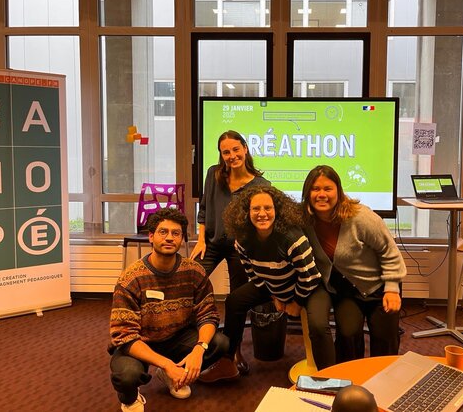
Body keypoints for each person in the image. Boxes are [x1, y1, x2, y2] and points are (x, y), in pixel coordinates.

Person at [109, 208, 229, 412]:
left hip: (177, 338)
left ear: (182, 239)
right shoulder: (131, 278)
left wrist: (199, 349)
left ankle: (173, 376)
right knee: (127, 375)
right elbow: (125, 335)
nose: (169, 238)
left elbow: (208, 315)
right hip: (140, 341)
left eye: (176, 233)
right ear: (151, 236)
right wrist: (166, 363)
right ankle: (130, 399)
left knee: (219, 343)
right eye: (163, 232)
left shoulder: (194, 271)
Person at [198, 185, 322, 381]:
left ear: (277, 210)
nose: (262, 214)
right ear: (246, 212)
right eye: (255, 209)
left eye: (268, 208)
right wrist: (274, 296)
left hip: (302, 289)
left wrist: (296, 302)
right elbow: (252, 273)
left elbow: (310, 277)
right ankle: (227, 362)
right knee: (235, 301)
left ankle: (326, 370)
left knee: (318, 323)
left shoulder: (292, 238)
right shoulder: (243, 240)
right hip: (273, 286)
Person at [301, 165, 407, 369]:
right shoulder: (305, 221)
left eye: (327, 188)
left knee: (384, 340)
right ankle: (350, 378)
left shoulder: (360, 217)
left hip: (380, 287)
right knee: (347, 336)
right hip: (346, 291)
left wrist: (392, 288)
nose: (321, 194)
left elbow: (389, 251)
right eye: (315, 189)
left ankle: (383, 380)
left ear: (338, 191)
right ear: (307, 193)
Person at [190, 129, 270, 375]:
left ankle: (233, 352)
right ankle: (191, 344)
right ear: (221, 155)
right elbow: (204, 209)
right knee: (190, 282)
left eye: (236, 149)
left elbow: (262, 220)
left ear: (245, 149)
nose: (232, 155)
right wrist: (200, 240)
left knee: (236, 300)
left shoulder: (260, 185)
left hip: (240, 249)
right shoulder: (213, 174)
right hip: (211, 243)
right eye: (226, 152)